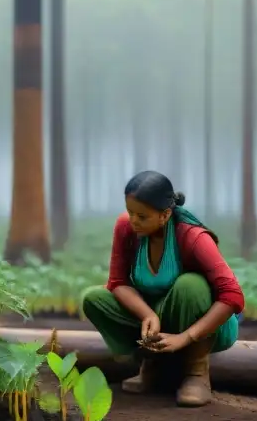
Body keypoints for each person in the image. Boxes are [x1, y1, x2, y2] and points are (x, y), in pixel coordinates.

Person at [80, 171, 244, 407]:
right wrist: (147, 315)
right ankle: (151, 364)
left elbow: (233, 296)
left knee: (191, 285)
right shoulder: (127, 228)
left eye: (142, 216)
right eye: (130, 212)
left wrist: (185, 337)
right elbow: (117, 283)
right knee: (94, 298)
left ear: (165, 214)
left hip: (204, 324)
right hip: (157, 314)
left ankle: (196, 373)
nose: (133, 221)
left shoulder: (192, 237)